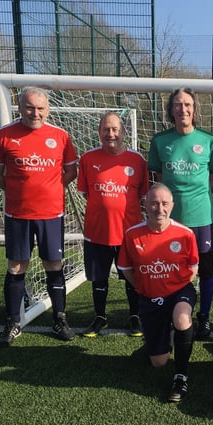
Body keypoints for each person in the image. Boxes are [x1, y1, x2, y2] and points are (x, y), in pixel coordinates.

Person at [0, 86, 78, 346]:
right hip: (17, 214)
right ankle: (13, 322)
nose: (35, 113)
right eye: (29, 108)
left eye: (40, 108)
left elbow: (70, 172)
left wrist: (50, 190)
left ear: (47, 110)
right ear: (19, 107)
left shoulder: (60, 136)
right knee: (16, 266)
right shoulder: (3, 136)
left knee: (54, 264)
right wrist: (20, 192)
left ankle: (59, 319)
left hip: (51, 214)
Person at [148, 87, 213, 341]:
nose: (183, 109)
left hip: (201, 218)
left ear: (194, 109)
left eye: (187, 104)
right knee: (171, 269)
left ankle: (204, 316)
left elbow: (212, 179)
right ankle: (171, 312)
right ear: (171, 110)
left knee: (205, 270)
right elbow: (159, 181)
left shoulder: (209, 140)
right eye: (178, 104)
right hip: (170, 221)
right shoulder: (160, 141)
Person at [117, 183, 199, 402]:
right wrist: (144, 287)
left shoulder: (185, 234)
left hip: (179, 292)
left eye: (164, 203)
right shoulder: (132, 234)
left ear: (172, 205)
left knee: (182, 317)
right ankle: (171, 334)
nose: (159, 209)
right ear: (145, 205)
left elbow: (193, 268)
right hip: (149, 297)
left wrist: (174, 287)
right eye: (154, 203)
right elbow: (125, 268)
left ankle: (181, 376)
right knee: (158, 362)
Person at [77, 111, 149, 338]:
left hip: (128, 233)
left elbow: (143, 195)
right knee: (98, 279)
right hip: (97, 232)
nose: (111, 134)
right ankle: (99, 317)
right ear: (99, 132)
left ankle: (135, 316)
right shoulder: (88, 159)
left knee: (132, 277)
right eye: (106, 129)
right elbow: (86, 193)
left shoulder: (138, 160)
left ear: (123, 132)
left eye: (115, 129)